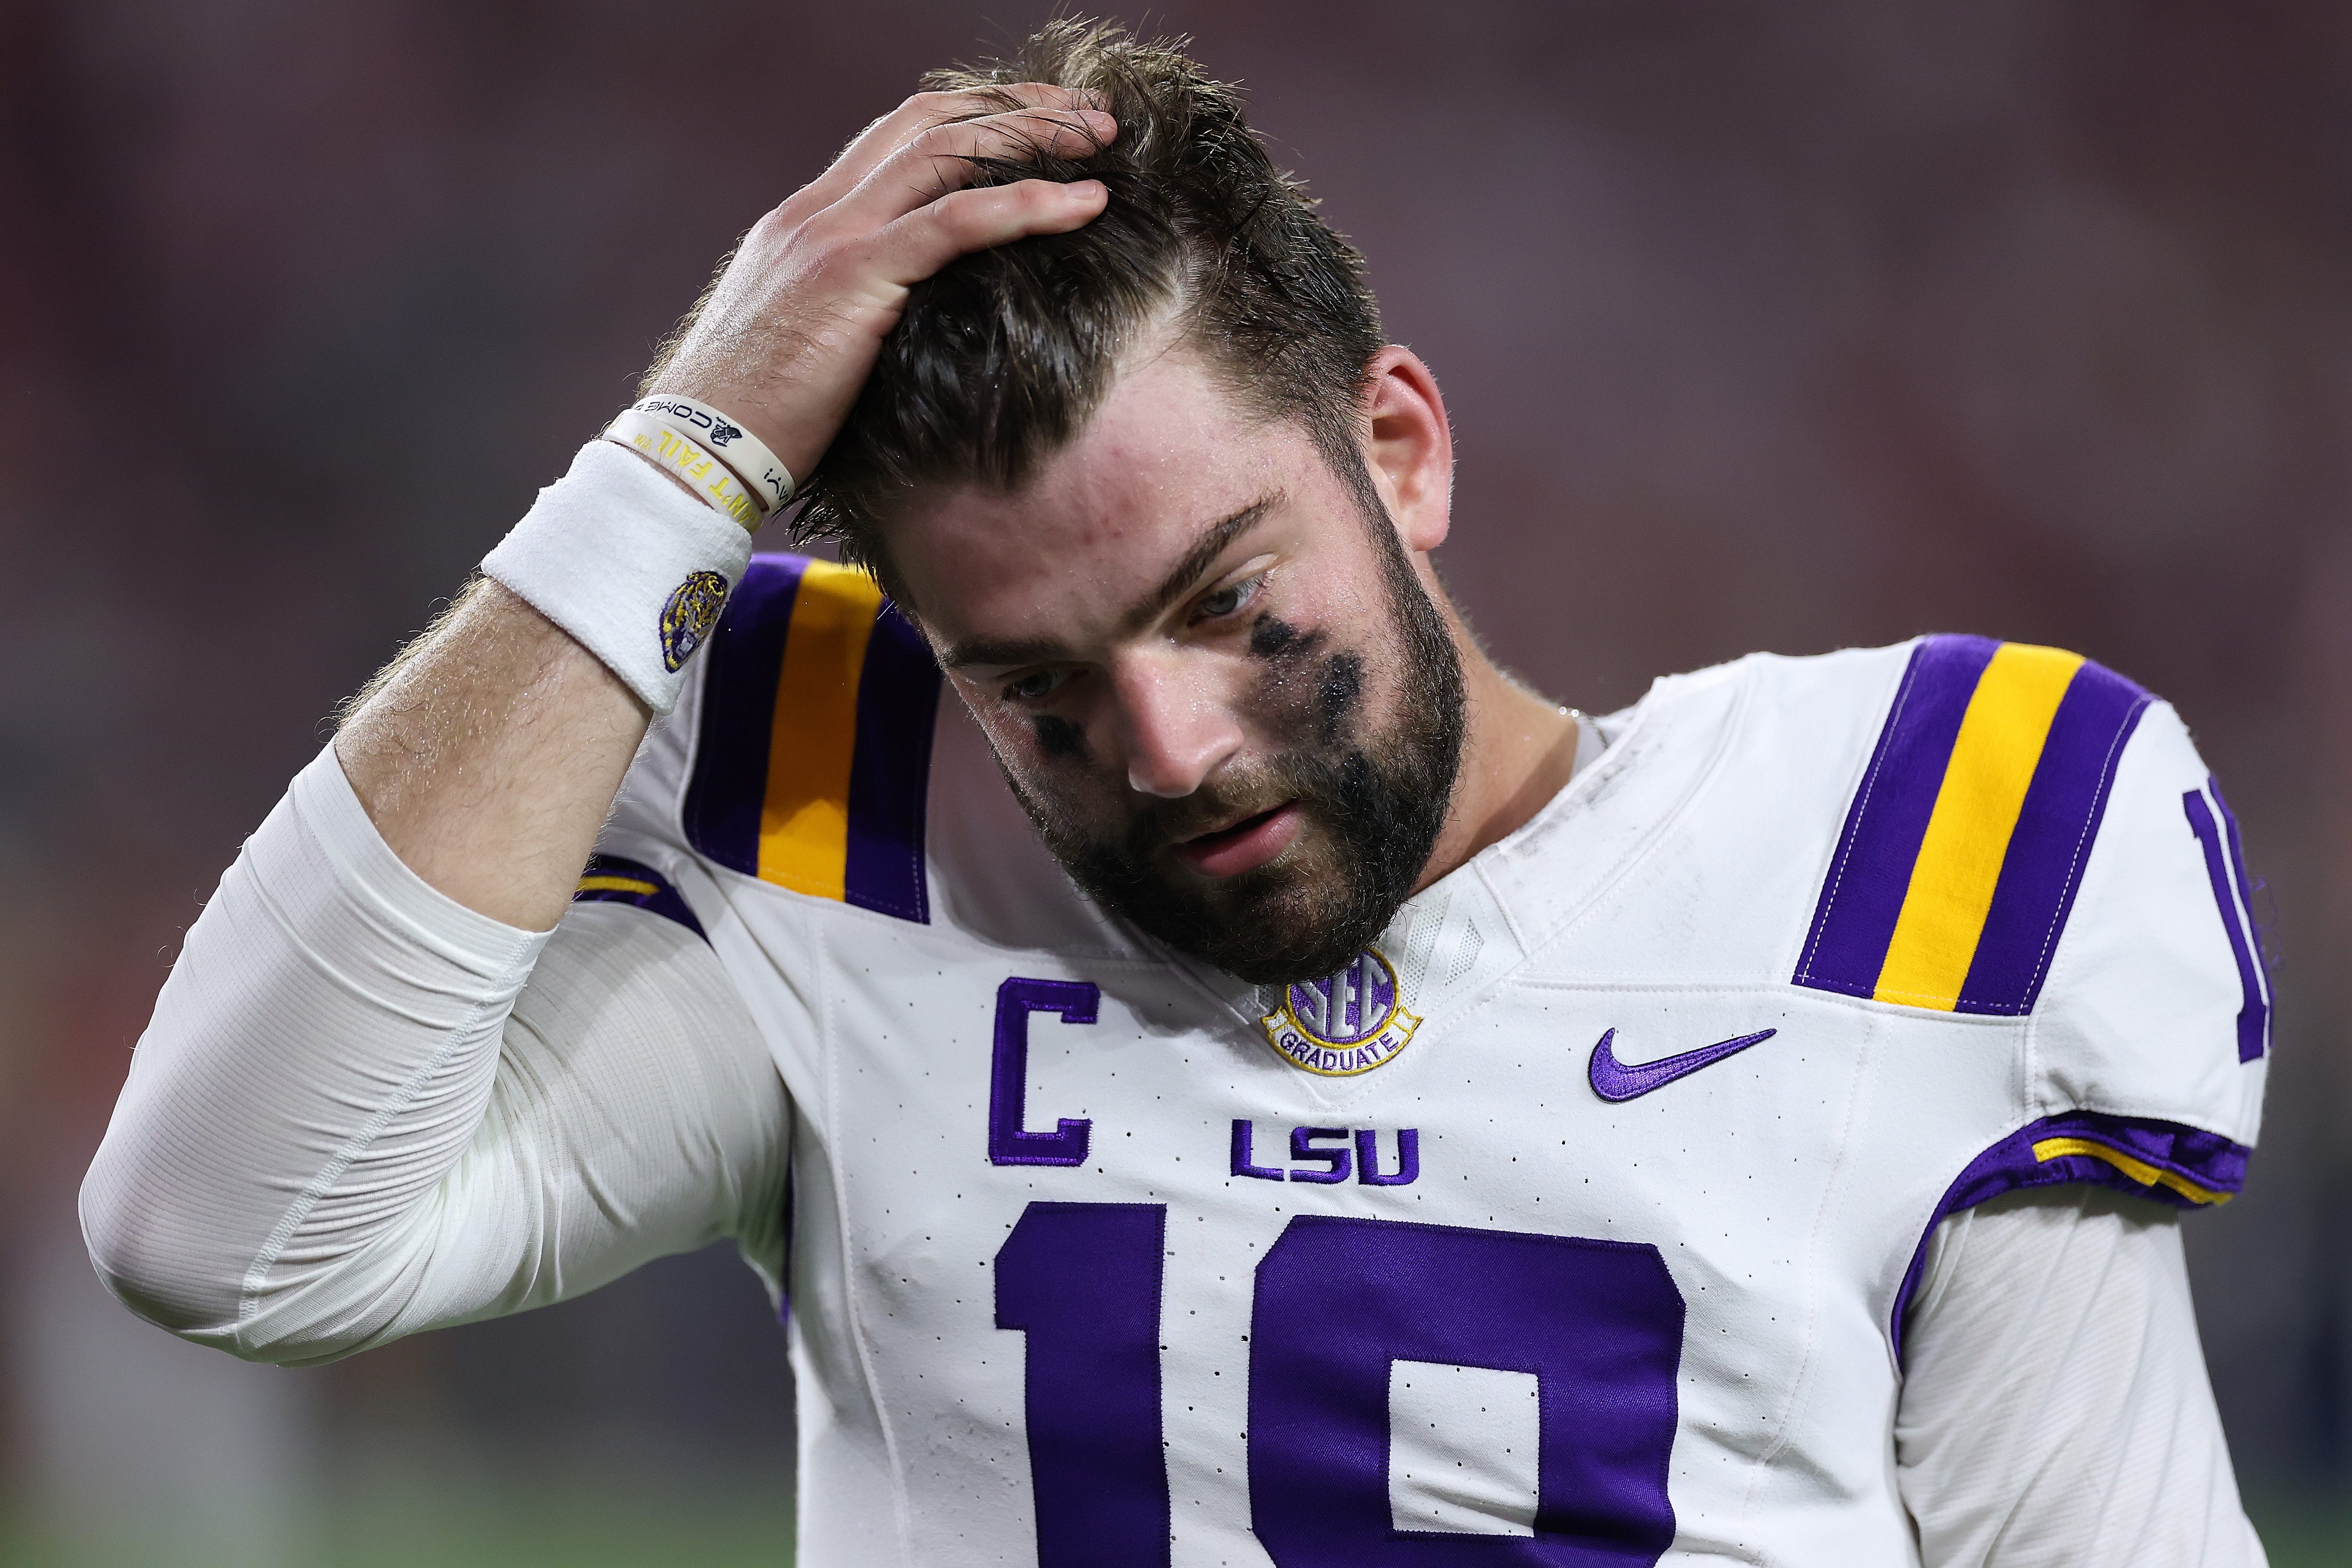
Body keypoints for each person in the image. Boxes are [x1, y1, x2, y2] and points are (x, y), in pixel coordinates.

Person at [81, 20, 2272, 1566]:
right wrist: (680, 453)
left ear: (1399, 450)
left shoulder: (1926, 842)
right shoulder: (865, 826)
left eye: (1231, 599)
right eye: (1034, 683)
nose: (1169, 749)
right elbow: (224, 1233)